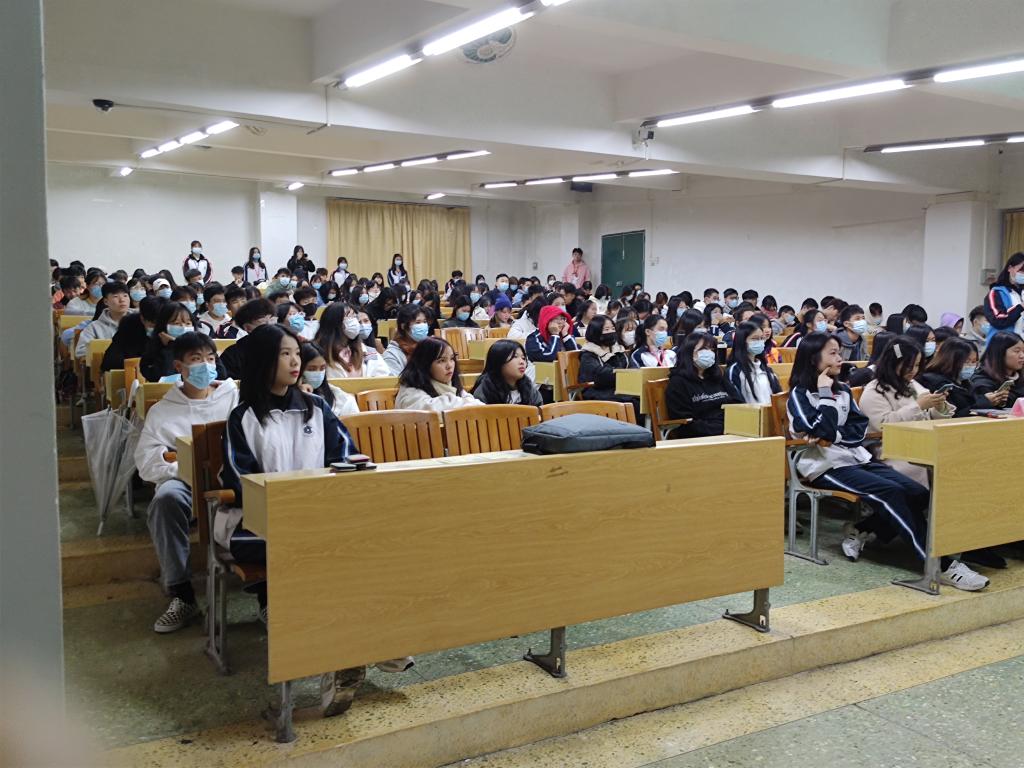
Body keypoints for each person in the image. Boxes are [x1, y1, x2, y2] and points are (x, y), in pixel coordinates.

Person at [218, 324, 413, 716]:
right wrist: (294, 511)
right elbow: (242, 482)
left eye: (297, 353)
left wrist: (338, 491)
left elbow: (346, 455)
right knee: (321, 555)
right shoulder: (243, 417)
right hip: (255, 525)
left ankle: (349, 653)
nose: (296, 362)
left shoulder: (315, 408)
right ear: (262, 361)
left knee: (356, 549)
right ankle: (361, 647)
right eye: (284, 354)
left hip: (316, 522)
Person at [786, 333, 987, 590]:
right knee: (891, 493)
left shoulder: (843, 390)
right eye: (833, 353)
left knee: (918, 493)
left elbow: (858, 428)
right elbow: (820, 429)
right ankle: (940, 565)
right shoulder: (800, 394)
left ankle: (863, 528)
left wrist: (832, 434)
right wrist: (825, 397)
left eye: (839, 352)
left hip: (856, 456)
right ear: (813, 358)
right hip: (824, 465)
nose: (840, 358)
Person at [134, 332, 239, 632]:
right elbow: (147, 462)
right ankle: (181, 593)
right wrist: (186, 468)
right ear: (179, 366)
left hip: (230, 477)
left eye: (210, 358)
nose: (205, 365)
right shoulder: (163, 410)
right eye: (196, 359)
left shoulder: (232, 397)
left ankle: (264, 593)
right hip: (184, 482)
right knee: (165, 499)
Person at [858, 337, 952, 487]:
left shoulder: (911, 384)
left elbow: (926, 417)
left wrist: (938, 407)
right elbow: (882, 425)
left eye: (917, 365)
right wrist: (918, 406)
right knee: (924, 467)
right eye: (908, 365)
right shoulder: (875, 390)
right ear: (892, 363)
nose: (913, 370)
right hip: (891, 448)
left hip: (920, 441)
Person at [665, 331, 734, 438]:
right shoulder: (678, 382)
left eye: (712, 349)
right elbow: (685, 422)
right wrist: (721, 429)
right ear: (689, 352)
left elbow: (736, 403)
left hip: (729, 429)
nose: (709, 353)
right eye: (704, 349)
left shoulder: (718, 376)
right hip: (701, 435)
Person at [578, 315, 641, 420]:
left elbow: (632, 367)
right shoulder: (588, 353)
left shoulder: (618, 349)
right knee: (630, 402)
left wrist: (630, 373)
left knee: (640, 398)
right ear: (596, 332)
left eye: (612, 328)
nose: (611, 332)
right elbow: (599, 374)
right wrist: (623, 373)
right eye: (606, 329)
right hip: (597, 391)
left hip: (618, 388)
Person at [395, 336, 478, 411]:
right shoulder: (410, 391)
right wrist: (461, 402)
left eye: (452, 358)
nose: (449, 366)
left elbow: (474, 403)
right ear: (424, 364)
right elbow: (430, 410)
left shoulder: (449, 384)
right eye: (442, 360)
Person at [315, 303, 390, 378]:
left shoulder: (368, 351)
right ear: (335, 322)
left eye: (354, 316)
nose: (355, 321)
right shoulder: (319, 353)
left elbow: (385, 376)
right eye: (349, 317)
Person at [917, 337, 982, 418]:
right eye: (966, 361)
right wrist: (984, 402)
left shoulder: (966, 383)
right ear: (951, 360)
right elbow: (953, 415)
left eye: (974, 362)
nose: (971, 366)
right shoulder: (934, 382)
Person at [471, 340, 543, 406]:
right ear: (498, 361)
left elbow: (539, 412)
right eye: (515, 356)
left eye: (523, 358)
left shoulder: (529, 389)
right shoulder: (485, 390)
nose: (522, 362)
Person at [725, 321, 781, 405]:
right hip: (749, 413)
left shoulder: (767, 370)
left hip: (769, 412)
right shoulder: (734, 371)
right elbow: (736, 404)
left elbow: (778, 397)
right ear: (742, 341)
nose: (760, 342)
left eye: (761, 338)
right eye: (755, 339)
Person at [101, 297, 163, 373]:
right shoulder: (129, 328)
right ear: (142, 318)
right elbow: (110, 362)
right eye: (153, 324)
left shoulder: (171, 332)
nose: (157, 328)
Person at [218, 299, 277, 378]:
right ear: (247, 327)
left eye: (272, 320)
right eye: (263, 322)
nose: (270, 325)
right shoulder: (233, 355)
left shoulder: (283, 346)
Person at [299, 342, 358, 418]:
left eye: (322, 368)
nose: (318, 373)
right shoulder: (291, 399)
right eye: (311, 369)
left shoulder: (343, 400)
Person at [75, 281, 132, 358]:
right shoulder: (94, 327)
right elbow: (80, 351)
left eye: (125, 296)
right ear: (106, 301)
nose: (122, 300)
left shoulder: (141, 321)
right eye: (115, 296)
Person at [971, 331, 1024, 410]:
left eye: (1023, 351)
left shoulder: (1020, 379)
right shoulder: (982, 382)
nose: (1022, 355)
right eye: (1017, 351)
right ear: (1000, 353)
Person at [984, 253, 1024, 342]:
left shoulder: (1022, 293)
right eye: (1022, 270)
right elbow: (998, 320)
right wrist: (1020, 307)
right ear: (1010, 268)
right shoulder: (996, 293)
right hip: (1002, 345)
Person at [383, 304, 429, 375]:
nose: (423, 325)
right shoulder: (392, 354)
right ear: (403, 326)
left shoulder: (429, 346)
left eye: (425, 322)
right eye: (418, 322)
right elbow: (396, 380)